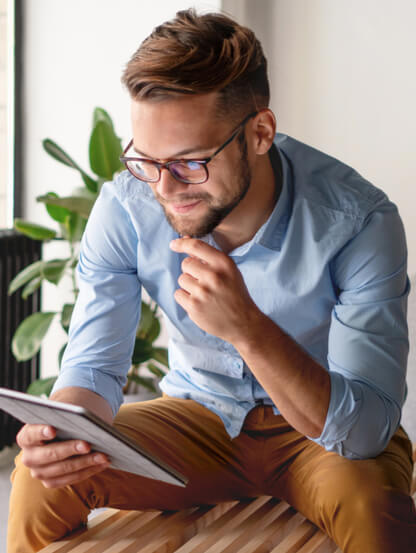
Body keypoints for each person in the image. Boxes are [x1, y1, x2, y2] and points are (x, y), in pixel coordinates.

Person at [7, 9, 416, 553]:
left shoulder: (360, 221)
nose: (165, 187)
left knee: (375, 506)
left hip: (320, 434)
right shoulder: (127, 208)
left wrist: (248, 327)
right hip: (198, 418)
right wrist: (64, 433)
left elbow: (364, 430)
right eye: (146, 161)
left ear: (260, 133)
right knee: (40, 479)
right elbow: (95, 366)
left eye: (189, 163)